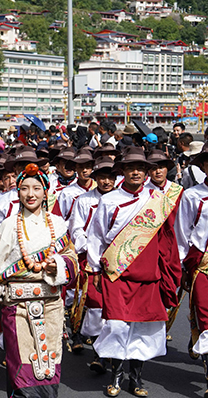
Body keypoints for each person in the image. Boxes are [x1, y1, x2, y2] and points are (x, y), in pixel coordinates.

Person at [87, 146, 181, 397]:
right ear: (123, 172)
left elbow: (168, 241)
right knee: (116, 326)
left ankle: (136, 379)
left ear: (147, 172)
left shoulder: (158, 200)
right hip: (116, 275)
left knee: (143, 328)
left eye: (141, 168)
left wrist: (169, 273)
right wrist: (95, 269)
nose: (136, 173)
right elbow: (96, 237)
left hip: (147, 277)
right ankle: (116, 374)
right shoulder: (109, 200)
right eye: (130, 168)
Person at [0, 163, 77, 398]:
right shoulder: (9, 225)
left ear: (46, 192)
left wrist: (59, 264)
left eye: (36, 188)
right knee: (23, 366)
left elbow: (71, 257)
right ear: (18, 192)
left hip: (51, 306)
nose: (30, 194)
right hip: (17, 308)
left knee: (48, 365)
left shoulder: (57, 224)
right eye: (24, 188)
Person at [68, 156, 117, 374]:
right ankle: (98, 350)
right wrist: (89, 246)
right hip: (91, 258)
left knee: (114, 307)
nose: (107, 182)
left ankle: (107, 354)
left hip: (117, 261)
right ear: (95, 178)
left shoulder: (122, 199)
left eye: (111, 177)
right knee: (95, 305)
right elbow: (76, 228)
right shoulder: (84, 200)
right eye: (102, 177)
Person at [175, 143, 208, 391]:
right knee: (205, 316)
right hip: (202, 266)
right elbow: (182, 235)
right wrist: (183, 269)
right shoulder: (192, 196)